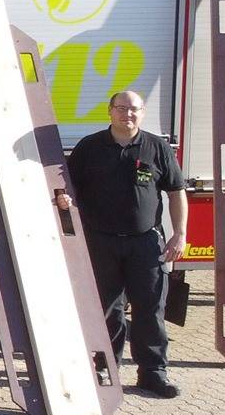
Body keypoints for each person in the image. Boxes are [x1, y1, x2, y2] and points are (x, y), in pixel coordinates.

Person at [58, 89, 188, 399]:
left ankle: (153, 373)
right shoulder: (90, 147)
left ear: (142, 113)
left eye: (133, 109)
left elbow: (176, 192)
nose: (126, 114)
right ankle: (105, 367)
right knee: (106, 309)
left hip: (146, 242)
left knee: (150, 308)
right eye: (120, 108)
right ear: (109, 111)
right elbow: (69, 187)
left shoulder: (157, 148)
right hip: (100, 240)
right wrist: (65, 199)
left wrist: (180, 233)